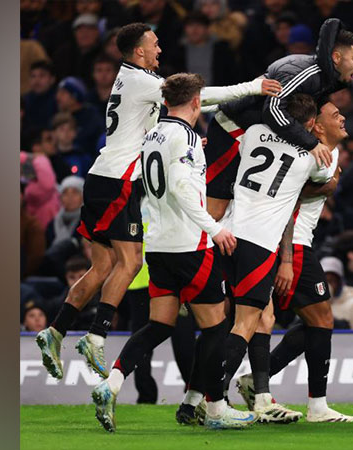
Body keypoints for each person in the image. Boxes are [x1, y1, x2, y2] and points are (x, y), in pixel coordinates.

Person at [36, 22, 282, 382]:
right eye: (155, 43)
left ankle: (54, 331)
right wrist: (253, 87)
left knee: (102, 267)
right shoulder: (144, 82)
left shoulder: (130, 79)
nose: (160, 49)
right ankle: (96, 335)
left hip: (101, 177)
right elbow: (200, 96)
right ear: (139, 51)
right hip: (118, 180)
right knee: (131, 262)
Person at [91, 73, 257, 432]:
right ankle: (214, 409)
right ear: (197, 102)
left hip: (159, 246)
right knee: (216, 327)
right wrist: (215, 228)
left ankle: (112, 383)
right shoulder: (187, 137)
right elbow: (183, 187)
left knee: (158, 326)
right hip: (190, 245)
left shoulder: (151, 134)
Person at [235, 101, 353, 423]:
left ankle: (241, 386)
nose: (342, 118)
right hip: (292, 245)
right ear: (316, 127)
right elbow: (287, 201)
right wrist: (287, 259)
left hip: (275, 242)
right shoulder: (313, 157)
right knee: (319, 319)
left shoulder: (325, 158)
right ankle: (316, 406)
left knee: (283, 320)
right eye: (334, 116)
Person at [204, 18, 353, 223]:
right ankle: (178, 250)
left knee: (234, 212)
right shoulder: (305, 71)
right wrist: (311, 143)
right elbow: (272, 109)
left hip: (254, 136)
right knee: (215, 212)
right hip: (232, 131)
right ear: (337, 57)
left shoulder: (327, 79)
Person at [55, 76, 106, 157]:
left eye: (63, 93)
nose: (58, 97)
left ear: (75, 95)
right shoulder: (59, 115)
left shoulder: (92, 117)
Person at [52, 13, 103, 88]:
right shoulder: (63, 54)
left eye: (89, 29)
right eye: (80, 30)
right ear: (74, 34)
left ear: (97, 33)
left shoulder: (104, 55)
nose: (84, 34)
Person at [321, 256, 353, 330]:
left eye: (331, 281)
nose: (327, 285)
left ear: (339, 282)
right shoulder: (311, 305)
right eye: (324, 281)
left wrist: (343, 328)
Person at [45, 176, 84, 248]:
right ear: (60, 198)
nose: (70, 197)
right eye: (65, 193)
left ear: (83, 196)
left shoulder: (88, 223)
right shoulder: (52, 225)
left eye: (75, 192)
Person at [22, 60, 58, 131]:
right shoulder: (24, 100)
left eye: (42, 76)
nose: (36, 80)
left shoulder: (58, 100)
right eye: (33, 76)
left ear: (52, 79)